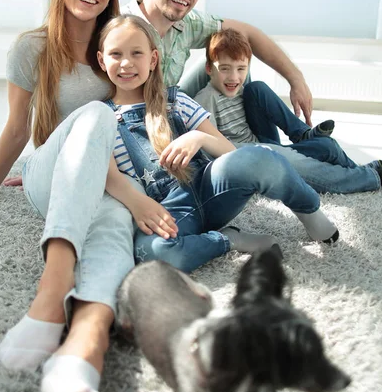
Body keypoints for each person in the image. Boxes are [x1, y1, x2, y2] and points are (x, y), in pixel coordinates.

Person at [0, 0, 178, 392]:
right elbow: (18, 128)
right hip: (48, 174)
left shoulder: (117, 45)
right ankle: (51, 292)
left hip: (109, 179)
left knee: (113, 227)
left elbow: (149, 104)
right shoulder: (32, 48)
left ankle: (86, 350)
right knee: (97, 114)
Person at [97, 14, 339, 274]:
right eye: (115, 54)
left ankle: (309, 212)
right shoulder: (101, 117)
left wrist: (198, 137)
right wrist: (138, 204)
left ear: (153, 59)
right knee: (153, 254)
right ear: (102, 60)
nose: (126, 63)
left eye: (136, 53)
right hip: (167, 210)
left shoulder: (176, 101)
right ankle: (229, 239)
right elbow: (110, 177)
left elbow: (229, 152)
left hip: (211, 188)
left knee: (261, 156)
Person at [121, 0, 313, 124]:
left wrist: (296, 80)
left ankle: (249, 134)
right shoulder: (118, 28)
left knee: (235, 56)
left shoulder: (188, 23)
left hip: (170, 102)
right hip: (142, 122)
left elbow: (249, 33)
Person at [194, 29, 382, 194]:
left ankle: (303, 135)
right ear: (210, 69)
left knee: (326, 145)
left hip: (265, 144)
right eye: (225, 69)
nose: (234, 77)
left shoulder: (242, 89)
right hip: (251, 159)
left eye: (241, 69)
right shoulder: (206, 99)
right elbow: (212, 151)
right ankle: (368, 175)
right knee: (320, 154)